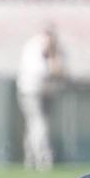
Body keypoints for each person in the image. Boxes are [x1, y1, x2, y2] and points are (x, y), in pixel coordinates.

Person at [16, 25, 65, 170]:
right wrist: (52, 64)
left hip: (48, 92)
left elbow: (62, 69)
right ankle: (43, 159)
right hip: (31, 91)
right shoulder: (33, 48)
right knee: (38, 123)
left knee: (36, 125)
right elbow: (41, 72)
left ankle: (31, 160)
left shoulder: (57, 49)